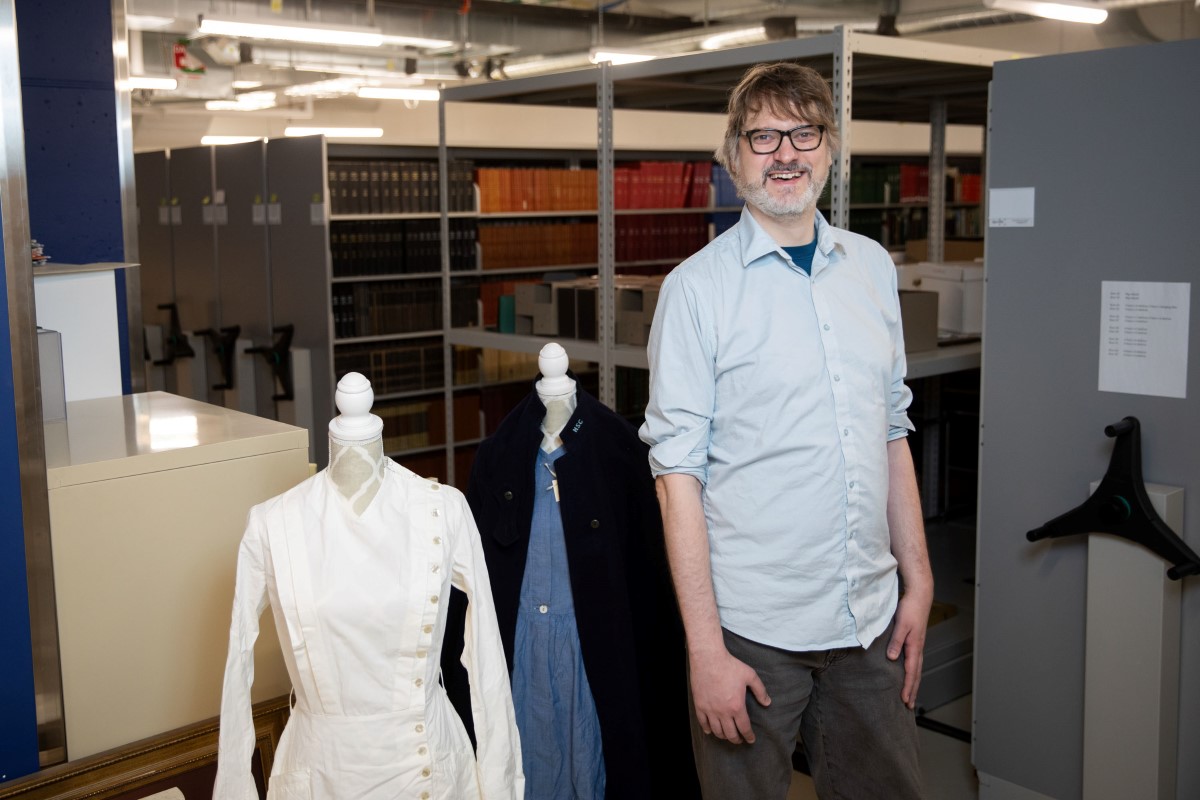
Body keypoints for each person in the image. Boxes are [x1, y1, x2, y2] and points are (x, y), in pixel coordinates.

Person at [639, 62, 933, 799]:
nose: (786, 154)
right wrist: (704, 650)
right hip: (752, 632)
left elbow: (890, 432)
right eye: (763, 136)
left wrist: (919, 581)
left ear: (831, 149)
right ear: (733, 156)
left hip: (870, 624)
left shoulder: (871, 268)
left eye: (804, 133)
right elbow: (678, 480)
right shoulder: (695, 291)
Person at [214, 372, 523, 800]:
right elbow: (237, 667)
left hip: (430, 768)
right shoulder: (272, 523)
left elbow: (487, 656)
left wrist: (501, 784)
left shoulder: (444, 509)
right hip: (321, 774)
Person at [444, 343, 699, 800]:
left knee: (598, 766)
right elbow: (470, 583)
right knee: (527, 766)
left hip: (596, 651)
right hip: (521, 654)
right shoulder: (498, 454)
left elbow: (650, 585)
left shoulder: (620, 450)